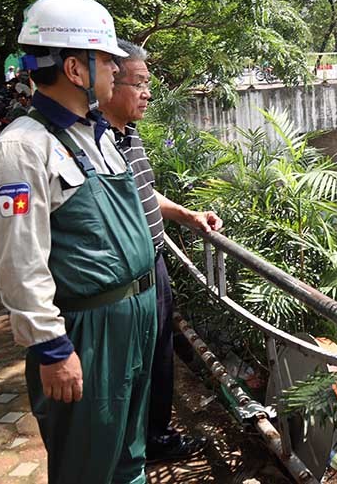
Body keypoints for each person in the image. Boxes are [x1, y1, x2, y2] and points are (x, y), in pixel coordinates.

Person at [0, 0, 157, 484]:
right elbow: (19, 263)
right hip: (87, 331)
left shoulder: (96, 134)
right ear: (76, 69)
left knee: (129, 452)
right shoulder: (20, 151)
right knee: (87, 462)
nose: (117, 74)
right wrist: (51, 349)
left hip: (134, 316)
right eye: (108, 63)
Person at [99, 39, 221, 463]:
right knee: (134, 363)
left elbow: (145, 192)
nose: (147, 93)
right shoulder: (96, 144)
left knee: (159, 355)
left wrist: (188, 216)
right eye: (139, 83)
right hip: (125, 277)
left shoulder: (128, 134)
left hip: (154, 264)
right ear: (107, 83)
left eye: (148, 82)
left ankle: (155, 436)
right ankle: (135, 445)